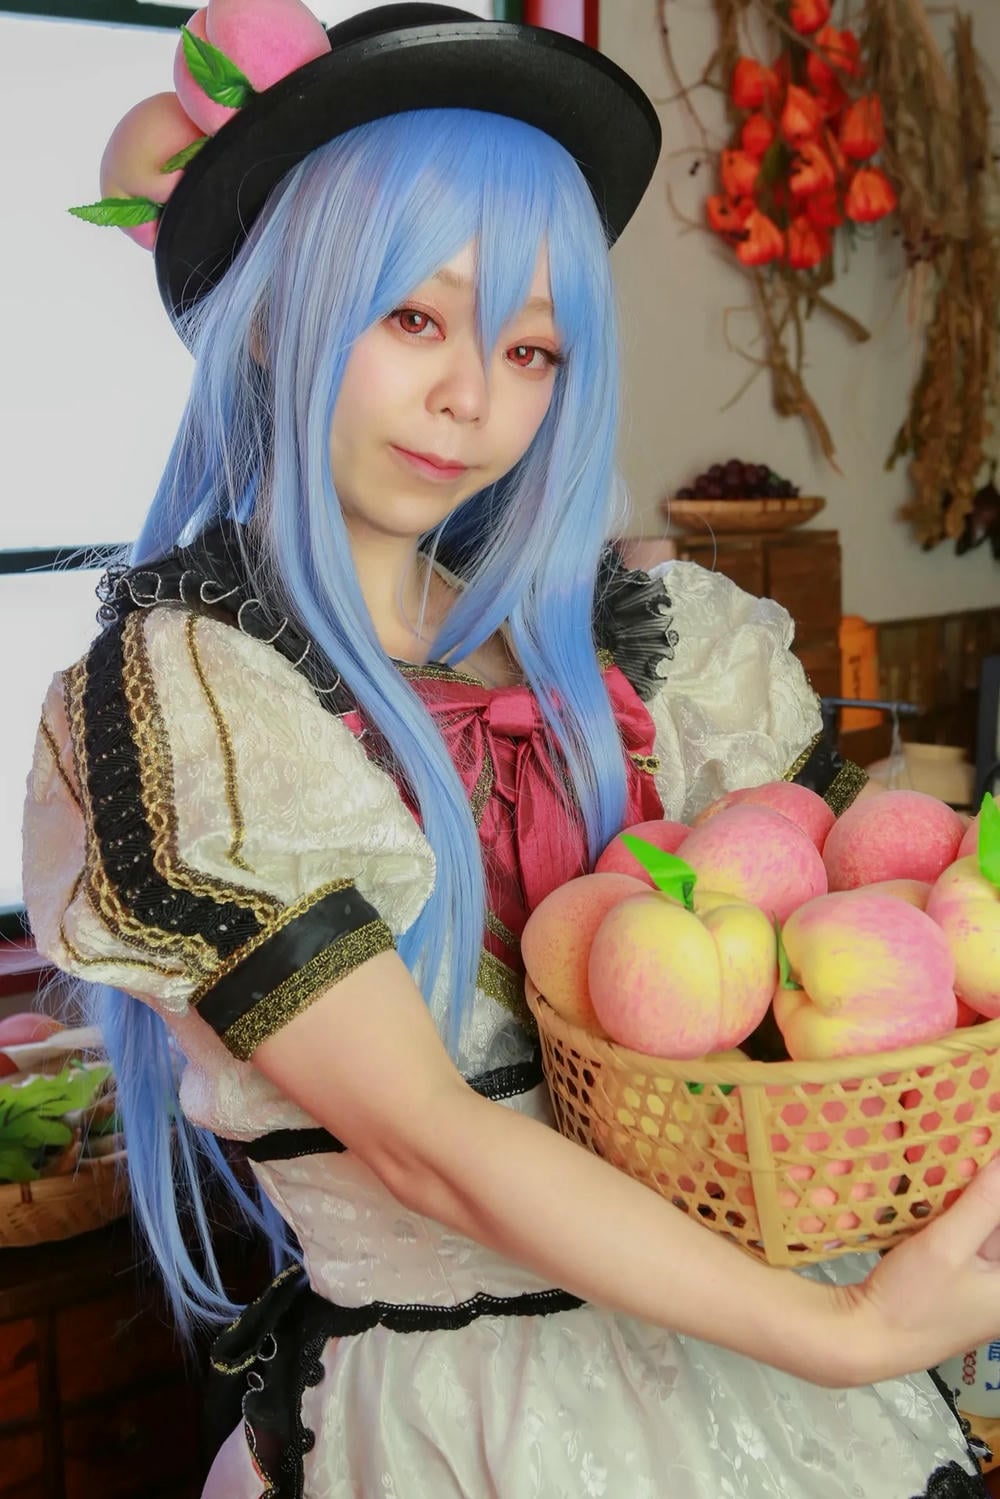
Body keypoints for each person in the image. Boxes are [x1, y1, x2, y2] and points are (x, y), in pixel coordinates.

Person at [20, 5, 1000, 1496]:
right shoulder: (191, 703)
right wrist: (850, 1332)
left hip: (779, 1403)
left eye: (531, 347)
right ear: (276, 312)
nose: (475, 400)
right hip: (471, 1423)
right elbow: (425, 1141)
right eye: (415, 319)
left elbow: (876, 985)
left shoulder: (658, 654)